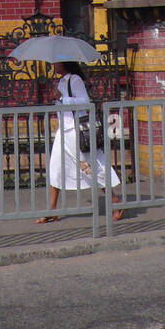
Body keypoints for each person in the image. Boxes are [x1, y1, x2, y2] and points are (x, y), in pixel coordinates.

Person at [36, 61, 123, 223]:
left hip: (76, 132)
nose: (53, 65)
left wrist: (62, 97)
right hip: (64, 131)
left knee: (91, 168)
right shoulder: (61, 81)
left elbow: (84, 101)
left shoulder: (74, 80)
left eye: (56, 62)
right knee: (56, 167)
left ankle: (115, 201)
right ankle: (52, 209)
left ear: (64, 63)